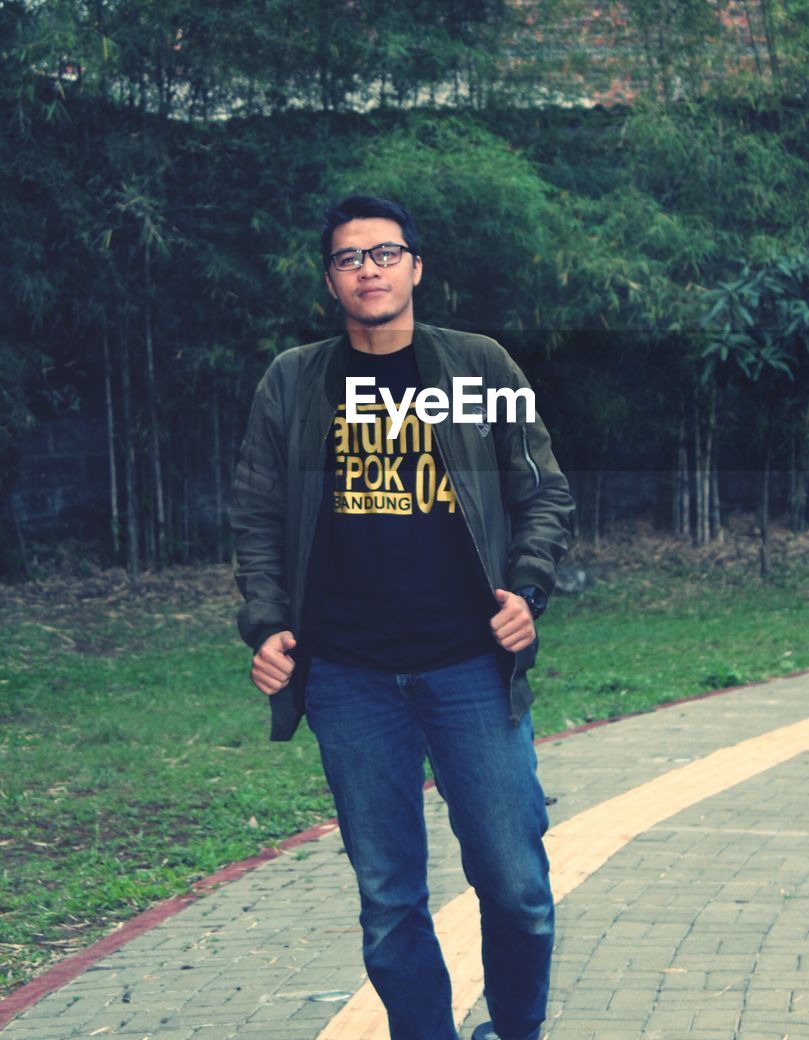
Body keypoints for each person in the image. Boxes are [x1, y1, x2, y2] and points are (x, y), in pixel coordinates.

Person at [229, 195, 574, 1040]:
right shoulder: (294, 380)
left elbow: (542, 493)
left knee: (517, 889)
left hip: (466, 663)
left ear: (415, 267)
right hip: (349, 675)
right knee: (389, 902)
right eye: (349, 259)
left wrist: (525, 594)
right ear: (330, 280)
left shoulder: (477, 369)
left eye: (384, 253)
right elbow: (258, 514)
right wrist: (267, 623)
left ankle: (516, 1031)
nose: (368, 270)